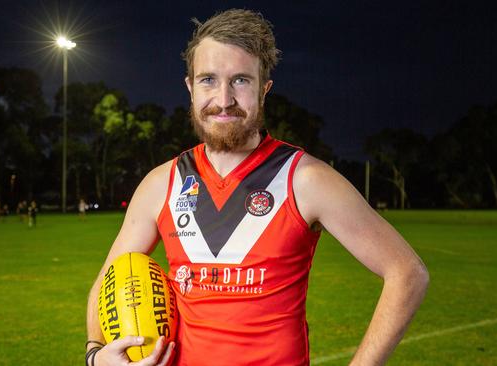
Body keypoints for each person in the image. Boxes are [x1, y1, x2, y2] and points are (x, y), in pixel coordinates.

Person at [86, 9, 429, 366]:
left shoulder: (305, 179)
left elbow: (407, 272)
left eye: (240, 81)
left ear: (264, 89)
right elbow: (107, 282)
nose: (223, 99)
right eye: (208, 80)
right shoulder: (161, 184)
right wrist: (95, 355)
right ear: (190, 87)